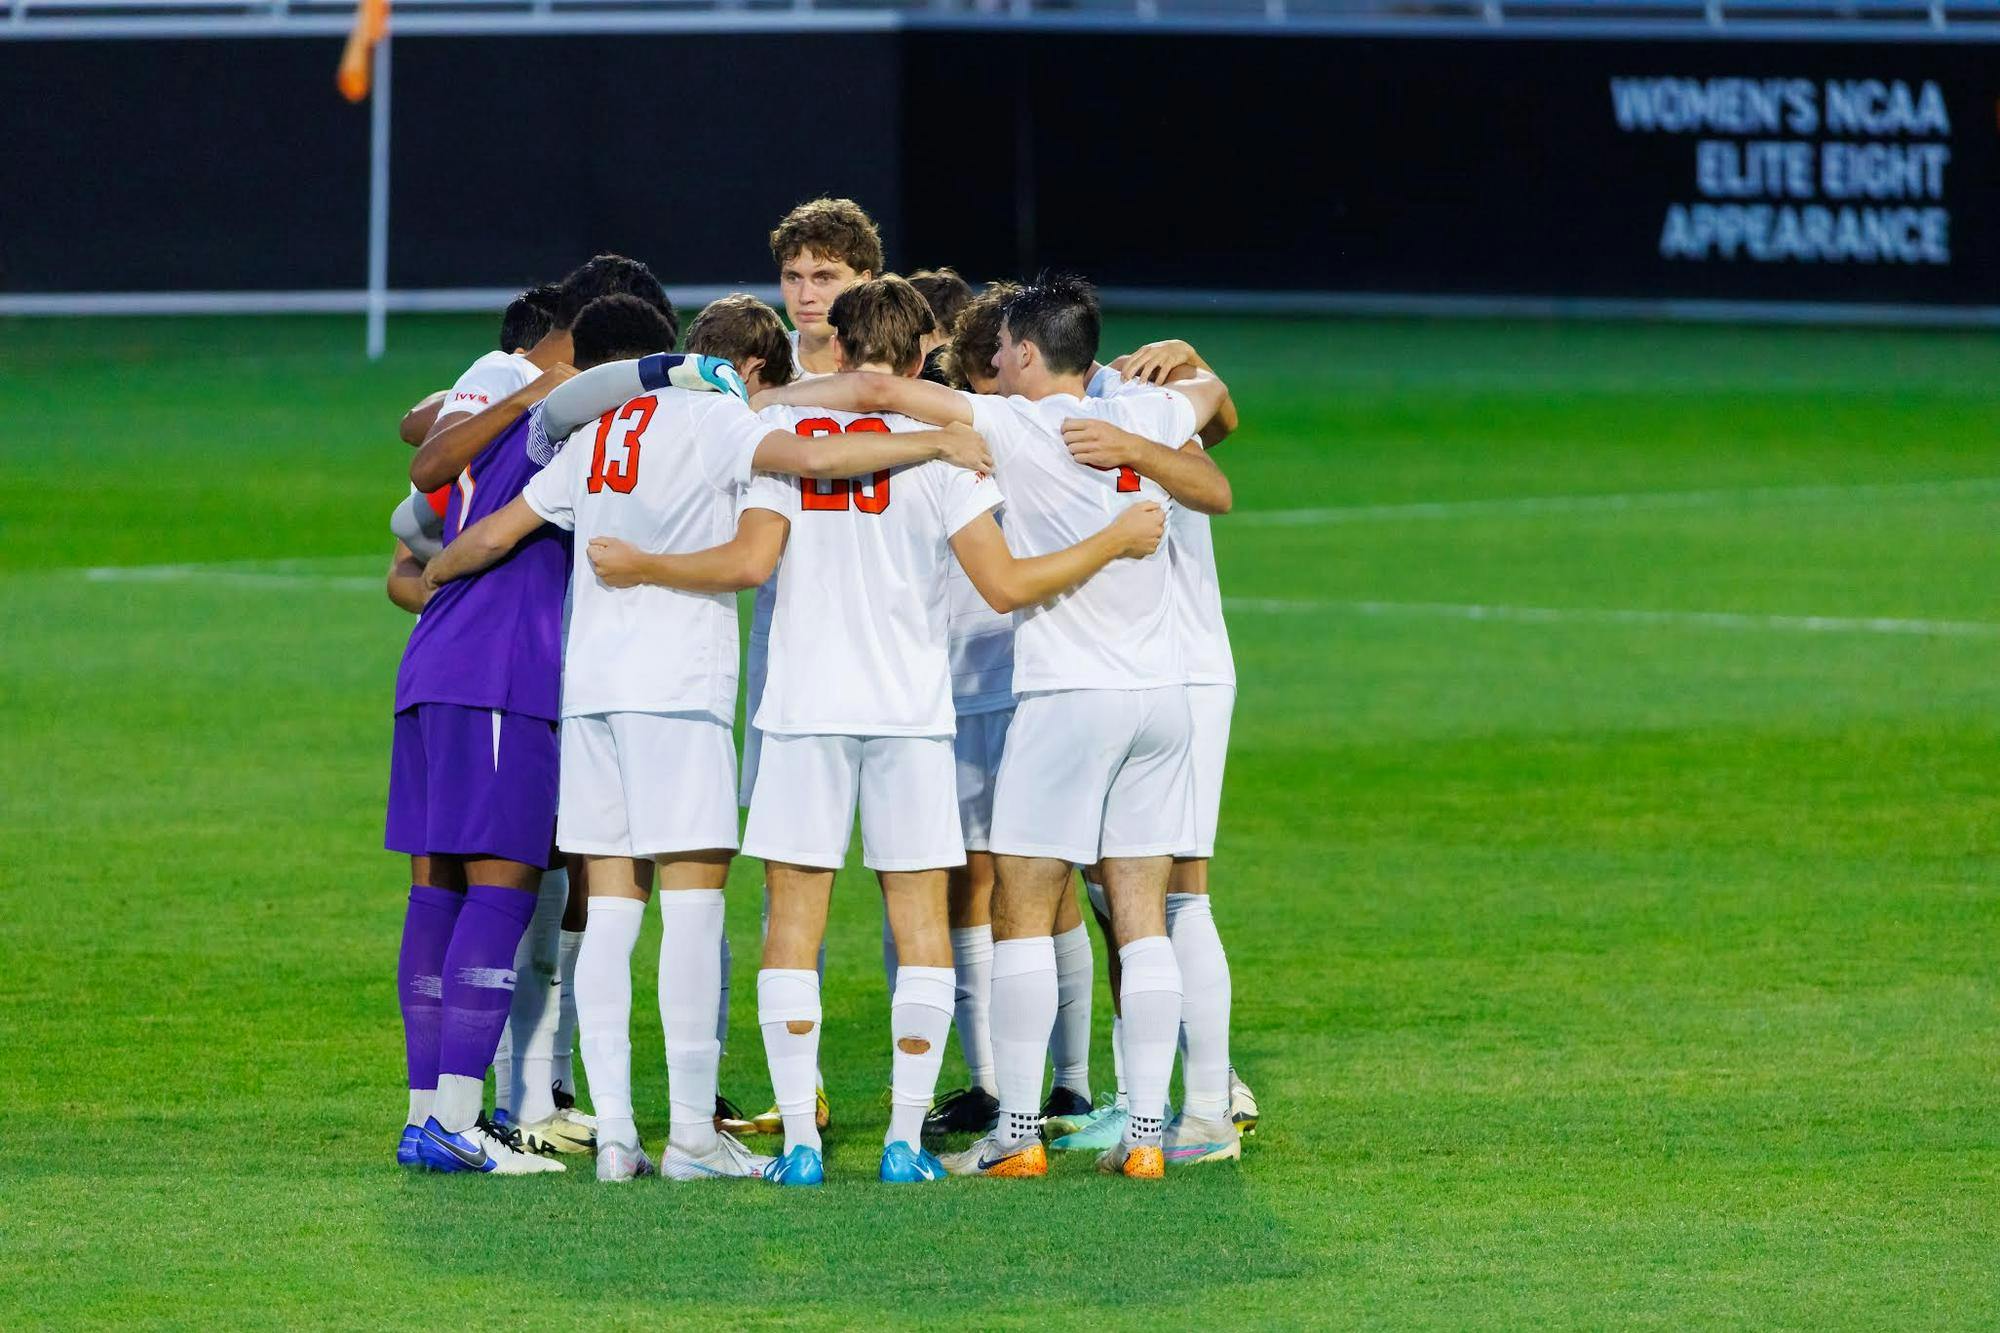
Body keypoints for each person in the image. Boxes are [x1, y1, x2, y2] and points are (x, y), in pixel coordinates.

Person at [421, 289, 994, 1182]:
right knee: (693, 909)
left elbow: (496, 531)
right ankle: (690, 1134)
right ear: (743, 369)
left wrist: (435, 587)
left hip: (593, 696)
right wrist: (934, 441)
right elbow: (815, 469)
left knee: (610, 911)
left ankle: (615, 1137)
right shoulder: (725, 423)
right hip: (679, 692)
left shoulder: (596, 437)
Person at [750, 272, 1231, 1180]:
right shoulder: (1150, 415)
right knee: (1143, 911)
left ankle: (1016, 1129)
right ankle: (1150, 1132)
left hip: (1062, 697)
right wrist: (1147, 437)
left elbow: (887, 398)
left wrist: (762, 399)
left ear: (1024, 354)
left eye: (1002, 347)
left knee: (1017, 905)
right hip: (1164, 697)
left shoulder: (1003, 426)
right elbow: (1216, 463)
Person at [387, 255, 669, 1174]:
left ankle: (427, 1115)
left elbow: (415, 482)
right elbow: (428, 457)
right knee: (502, 889)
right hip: (504, 670)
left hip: (435, 662)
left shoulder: (484, 391)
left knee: (438, 891)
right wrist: (684, 371)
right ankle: (464, 1119)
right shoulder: (546, 405)